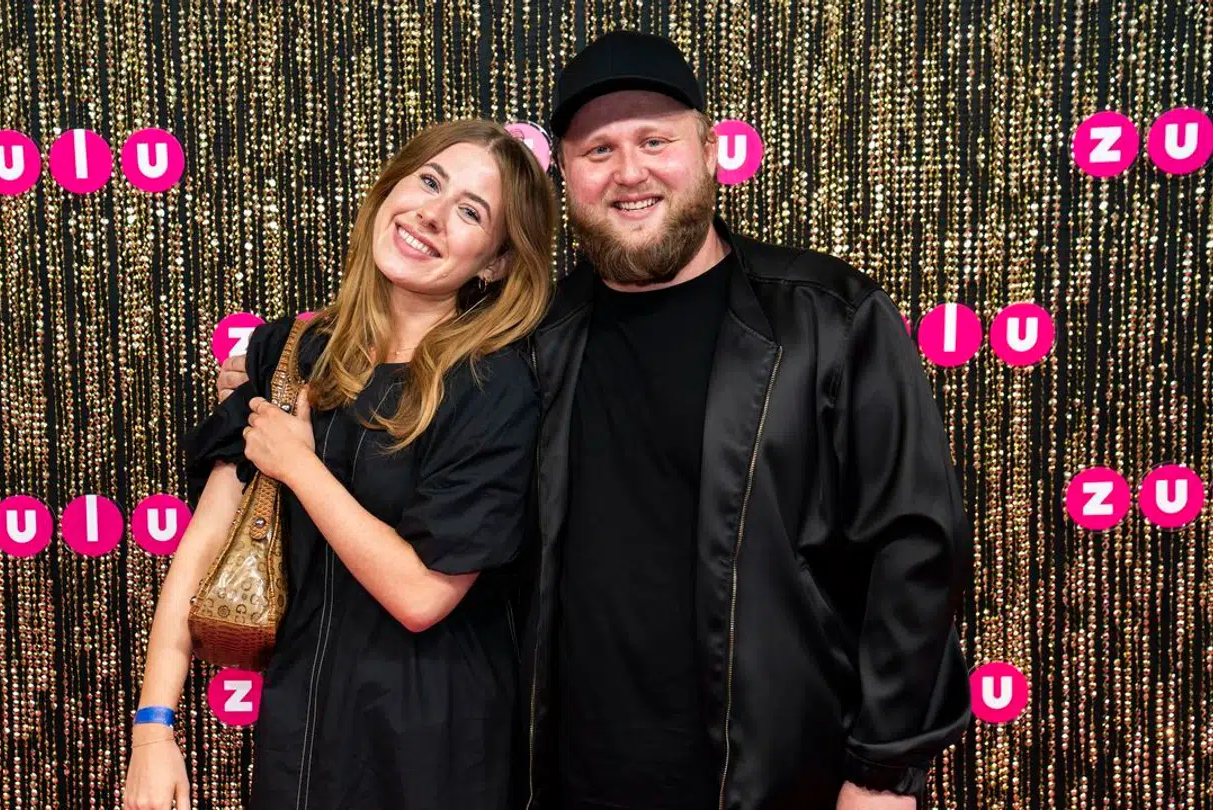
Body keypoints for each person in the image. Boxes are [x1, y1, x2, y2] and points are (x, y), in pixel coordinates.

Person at [218, 32, 973, 810]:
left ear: (711, 152)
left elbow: (912, 546)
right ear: (567, 181)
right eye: (598, 150)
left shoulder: (828, 320)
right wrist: (269, 363)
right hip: (567, 774)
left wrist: (883, 771)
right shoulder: (533, 340)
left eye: (655, 141)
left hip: (778, 772)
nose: (630, 171)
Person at [123, 119, 557, 810]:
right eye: (430, 181)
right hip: (300, 729)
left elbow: (421, 596)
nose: (432, 215)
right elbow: (203, 543)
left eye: (471, 212)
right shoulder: (287, 353)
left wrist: (300, 467)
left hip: (432, 747)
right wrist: (153, 729)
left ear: (495, 262)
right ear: (392, 185)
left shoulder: (491, 387)